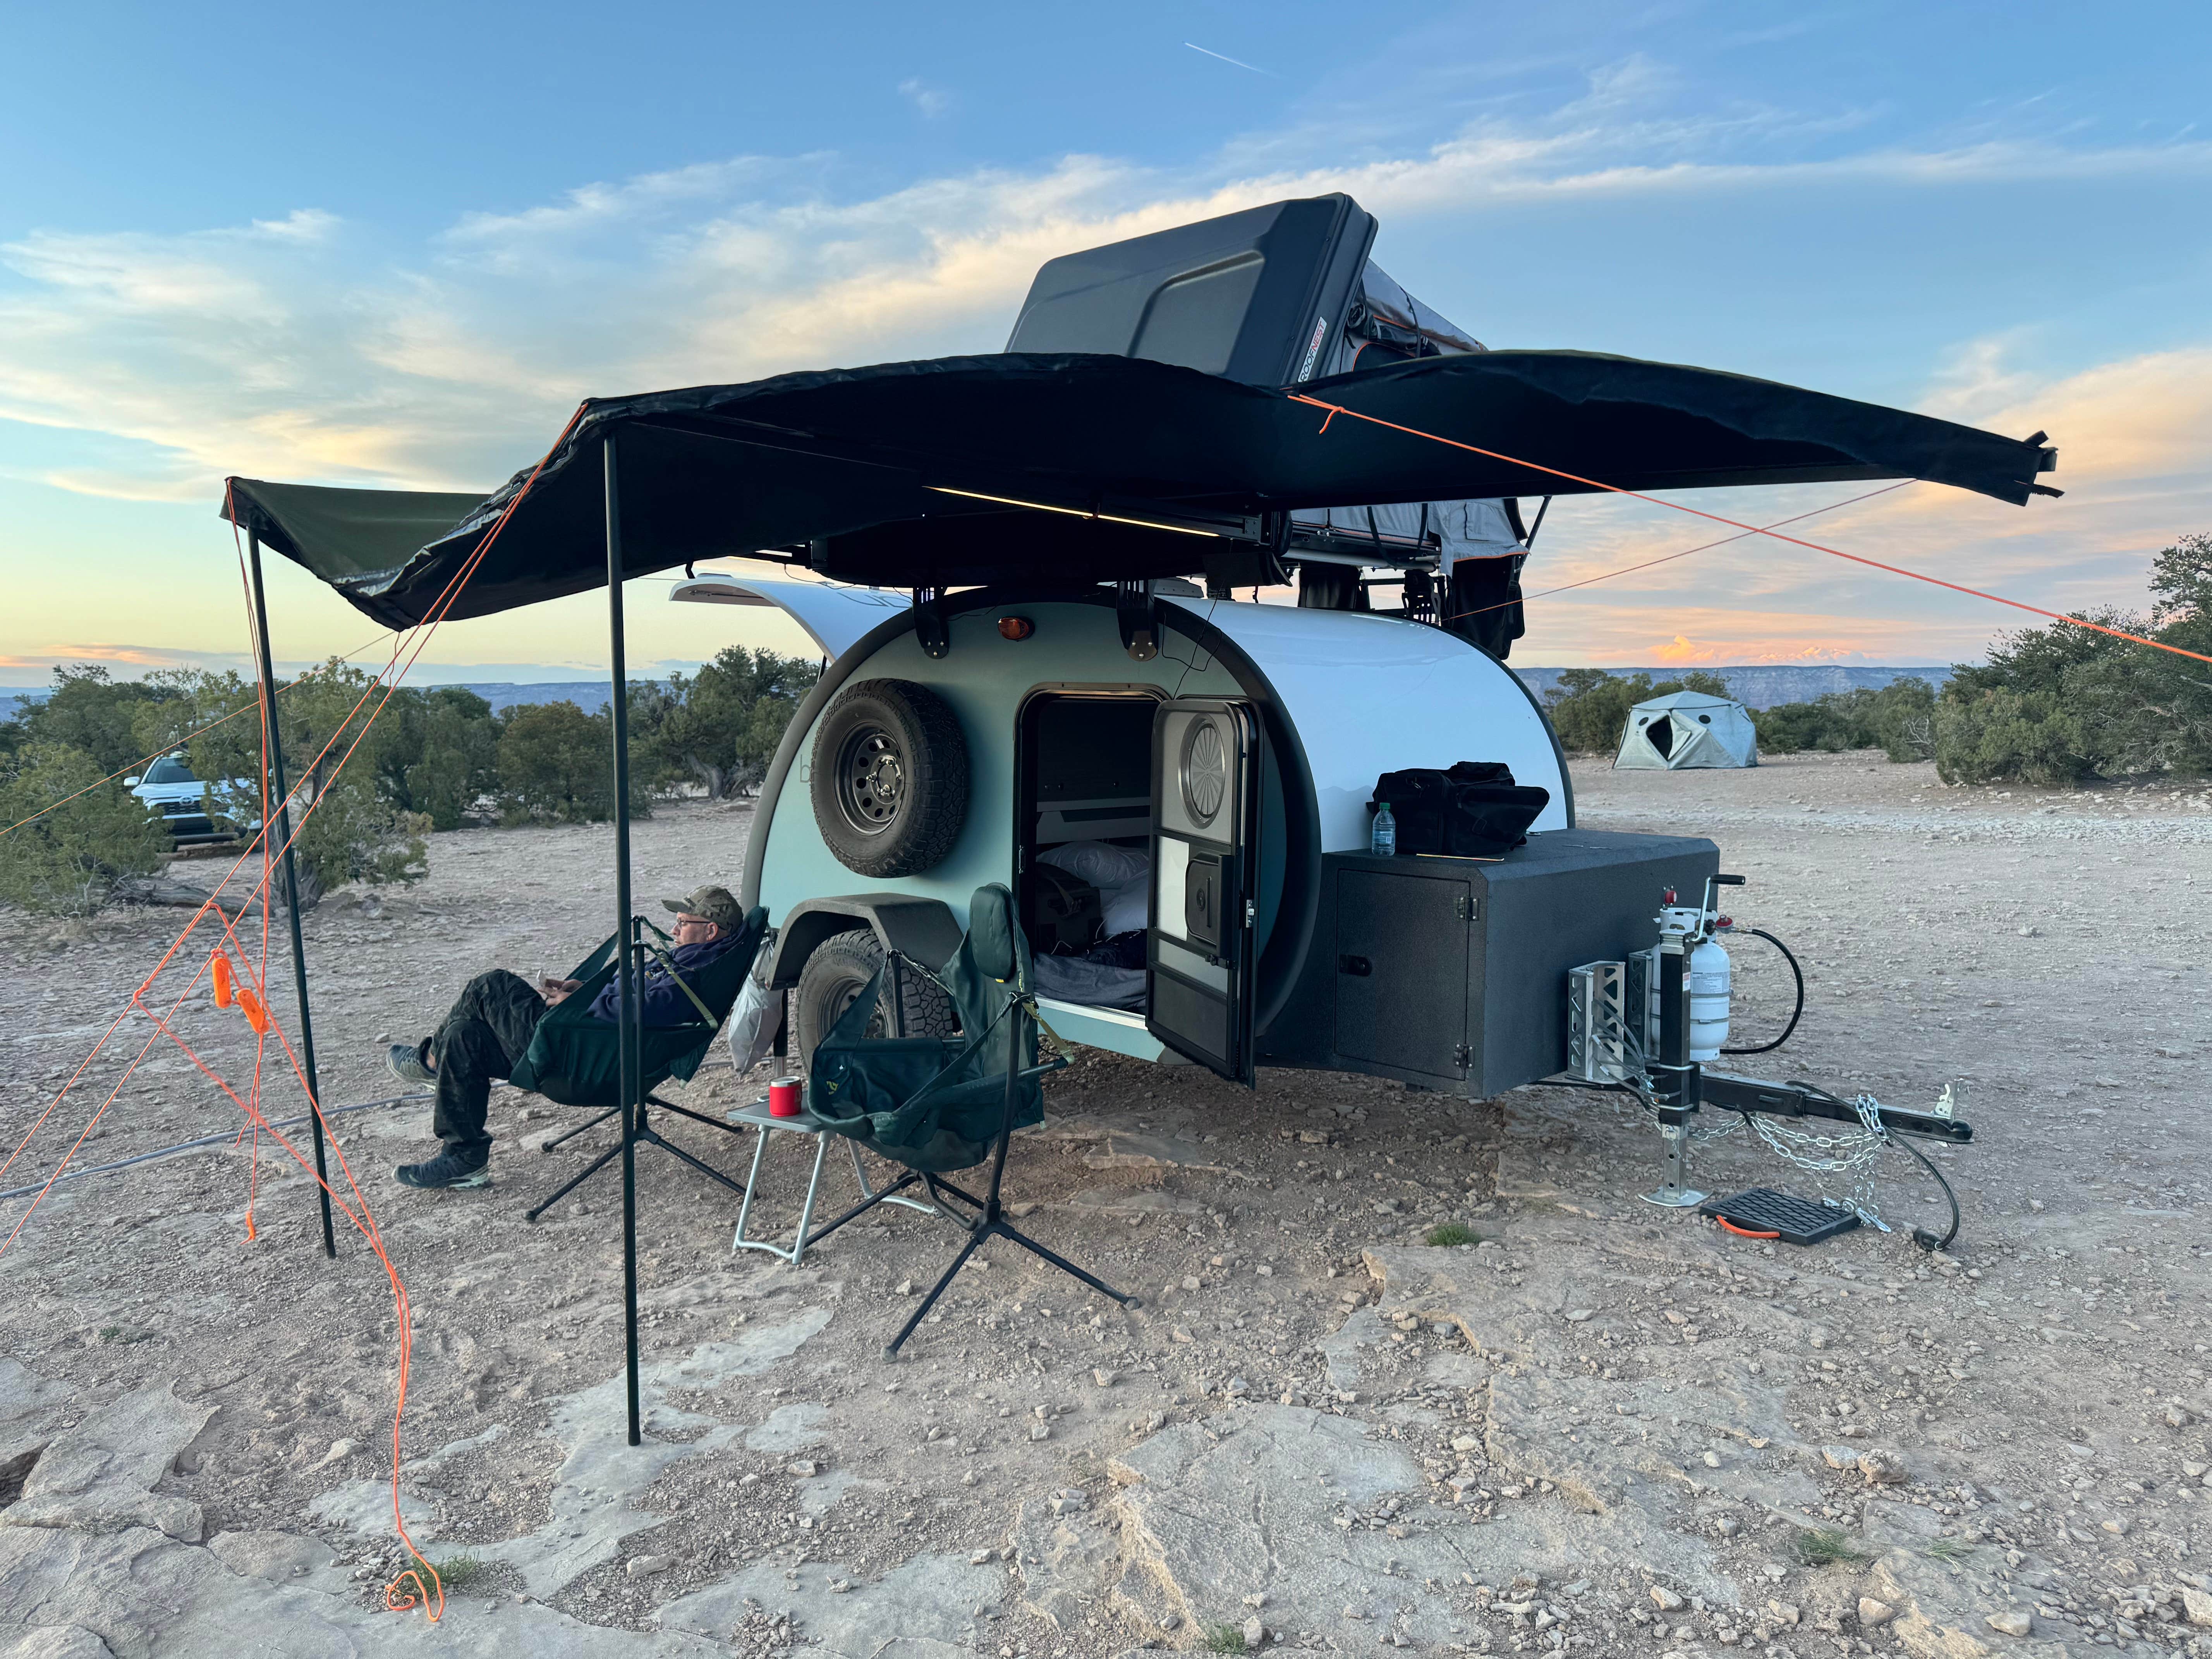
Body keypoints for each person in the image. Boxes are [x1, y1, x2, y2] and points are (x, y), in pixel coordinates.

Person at [383, 885, 747, 1190]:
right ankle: (464, 1158)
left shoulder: (692, 976)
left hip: (580, 1058)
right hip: (581, 1040)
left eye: (683, 923)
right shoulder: (685, 959)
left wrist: (583, 1004)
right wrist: (583, 989)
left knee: (491, 985)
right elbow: (632, 993)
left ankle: (429, 1062)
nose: (674, 928)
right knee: (464, 1036)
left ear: (710, 931)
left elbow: (646, 1009)